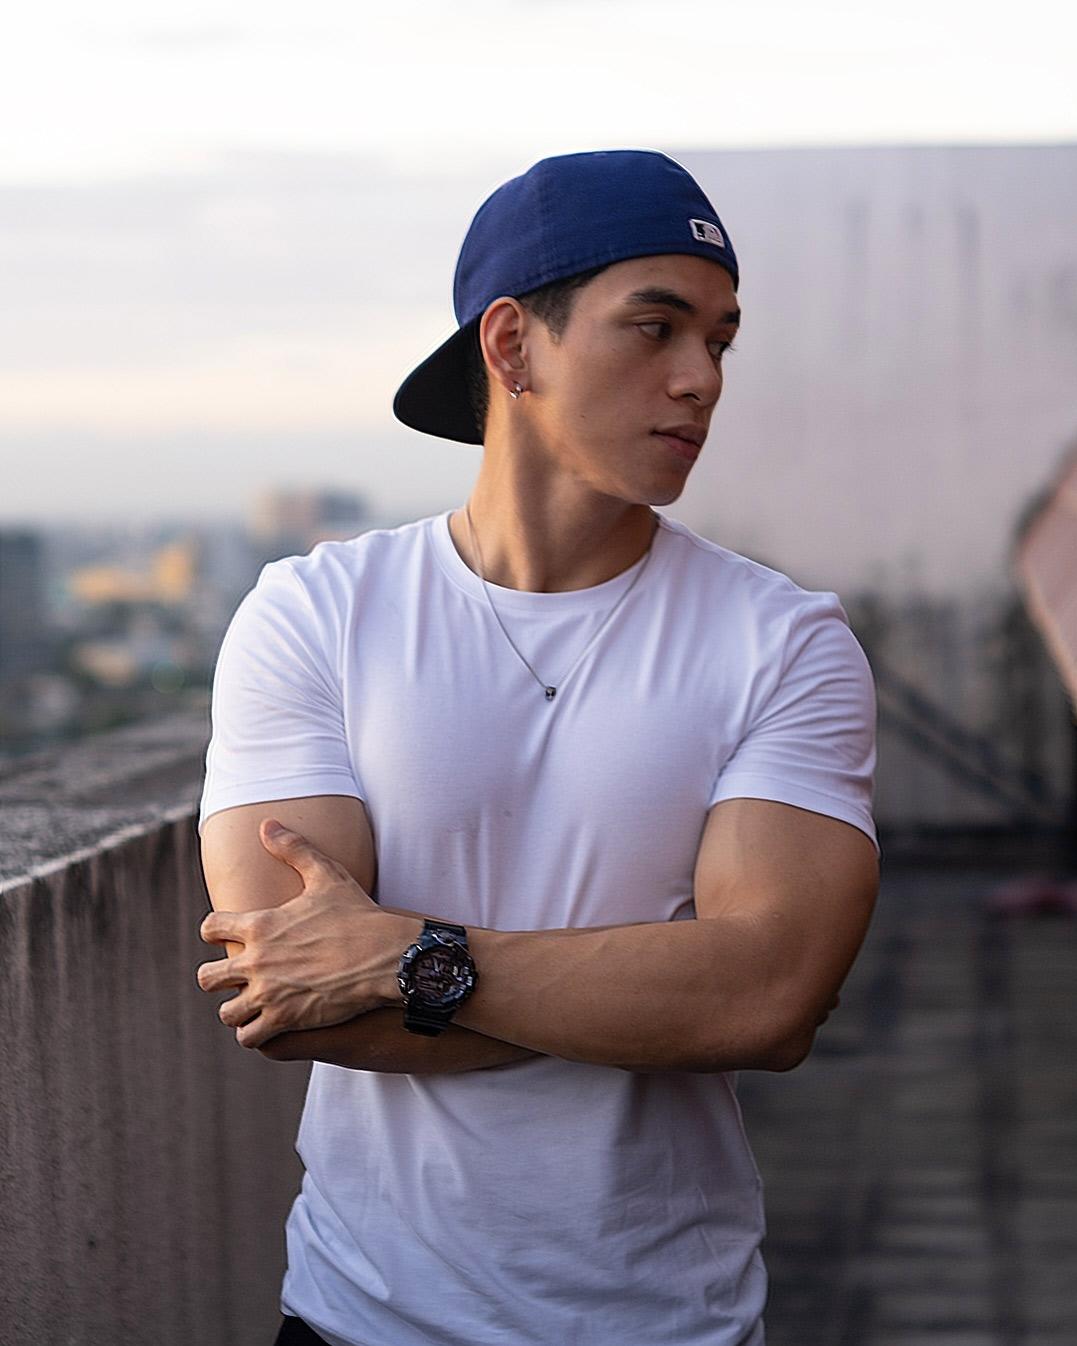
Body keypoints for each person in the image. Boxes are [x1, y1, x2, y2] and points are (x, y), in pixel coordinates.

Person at [196, 149, 879, 1346]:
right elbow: (294, 999)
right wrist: (654, 985)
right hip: (362, 1314)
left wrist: (405, 956)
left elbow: (768, 996)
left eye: (719, 339)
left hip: (666, 1321)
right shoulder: (318, 613)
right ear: (513, 345)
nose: (702, 378)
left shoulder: (783, 640)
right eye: (655, 328)